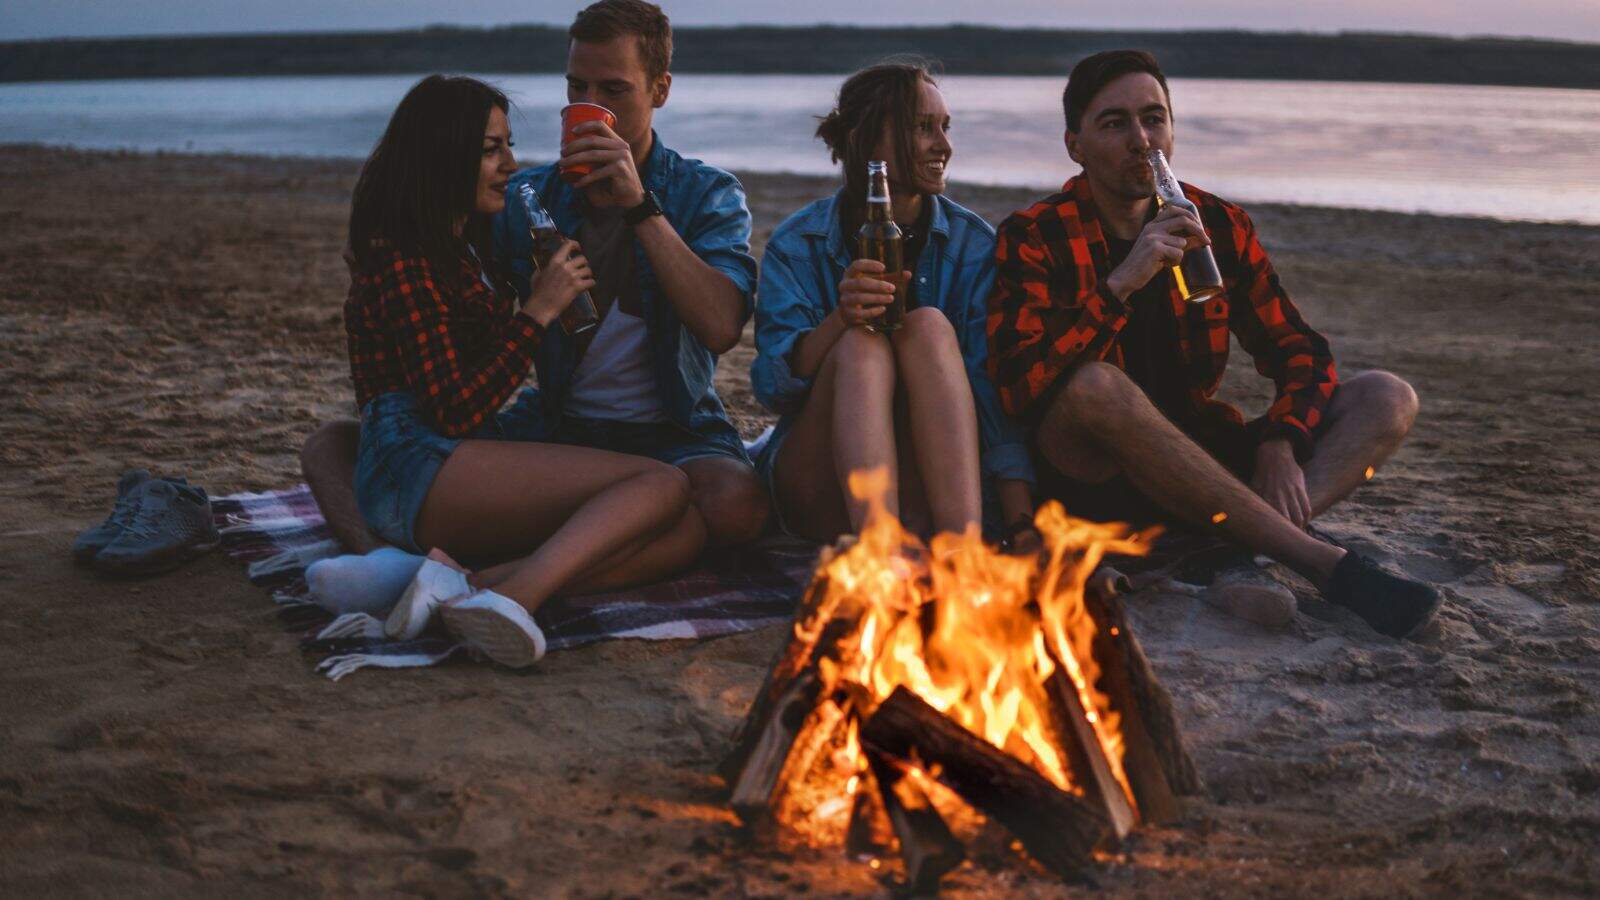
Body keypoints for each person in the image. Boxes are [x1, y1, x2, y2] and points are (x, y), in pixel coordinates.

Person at [300, 0, 770, 604]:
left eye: (614, 90)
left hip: (670, 430)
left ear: (660, 89)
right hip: (555, 425)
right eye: (577, 86)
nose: (589, 104)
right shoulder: (525, 197)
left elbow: (721, 326)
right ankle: (405, 562)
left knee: (735, 508)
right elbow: (432, 241)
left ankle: (481, 578)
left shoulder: (706, 194)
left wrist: (640, 207)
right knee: (333, 444)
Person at [986, 50, 1441, 639]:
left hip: (1202, 454)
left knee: (1387, 397)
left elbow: (1298, 349)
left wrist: (1281, 438)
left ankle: (1230, 546)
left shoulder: (1217, 225)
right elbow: (1018, 387)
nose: (1142, 141)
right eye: (1115, 123)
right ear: (1075, 144)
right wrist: (1123, 281)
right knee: (1096, 383)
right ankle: (1315, 560)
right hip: (1091, 478)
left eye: (1154, 119)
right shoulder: (1034, 236)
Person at [331, 74, 708, 668]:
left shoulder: (463, 245)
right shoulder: (405, 258)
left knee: (683, 532)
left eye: (507, 145)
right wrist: (539, 309)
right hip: (420, 463)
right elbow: (454, 408)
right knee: (662, 484)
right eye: (491, 149)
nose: (511, 163)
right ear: (441, 158)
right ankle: (516, 596)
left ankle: (463, 585)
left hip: (451, 458)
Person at [752, 62, 1036, 546]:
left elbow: (991, 398)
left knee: (926, 325)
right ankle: (878, 554)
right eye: (923, 128)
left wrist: (1021, 526)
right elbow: (773, 389)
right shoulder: (799, 242)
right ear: (868, 139)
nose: (943, 146)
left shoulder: (971, 245)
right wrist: (839, 321)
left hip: (929, 489)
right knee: (861, 345)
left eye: (945, 127)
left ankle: (961, 551)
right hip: (823, 488)